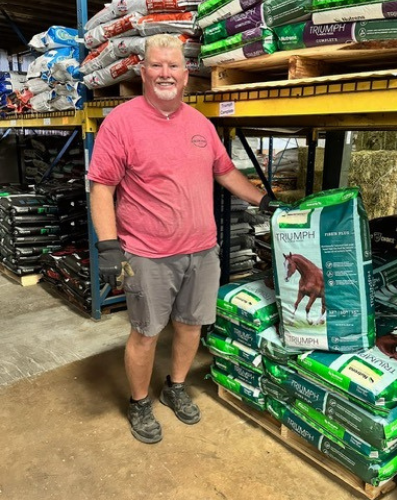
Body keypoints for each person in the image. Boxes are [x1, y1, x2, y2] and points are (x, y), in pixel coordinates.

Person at [87, 34, 271, 444]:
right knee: (146, 332)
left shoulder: (200, 124)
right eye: (157, 65)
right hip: (148, 254)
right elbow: (101, 187)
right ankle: (139, 402)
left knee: (190, 326)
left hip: (202, 251)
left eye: (173, 66)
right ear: (143, 71)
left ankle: (175, 386)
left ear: (186, 76)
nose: (165, 73)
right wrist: (109, 246)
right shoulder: (121, 121)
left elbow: (225, 171)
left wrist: (264, 200)